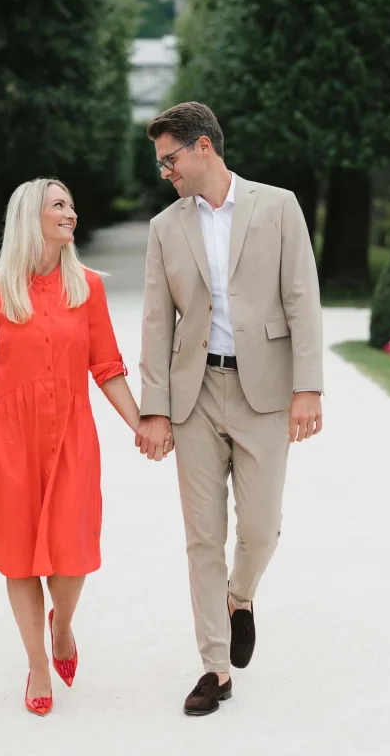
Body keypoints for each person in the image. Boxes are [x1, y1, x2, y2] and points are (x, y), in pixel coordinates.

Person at [137, 102, 323, 716]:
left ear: (203, 149)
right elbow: (157, 323)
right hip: (194, 396)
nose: (165, 171)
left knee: (261, 528)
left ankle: (240, 597)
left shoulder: (279, 206)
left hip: (264, 392)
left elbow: (302, 298)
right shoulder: (166, 228)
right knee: (201, 537)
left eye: (170, 159)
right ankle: (214, 667)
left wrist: (308, 387)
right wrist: (154, 410)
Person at [0, 178, 141, 717]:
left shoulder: (88, 288)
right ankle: (38, 661)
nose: (71, 213)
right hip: (7, 442)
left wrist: (141, 423)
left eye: (72, 205)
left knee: (72, 554)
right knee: (18, 558)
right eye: (59, 205)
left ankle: (64, 626)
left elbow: (107, 366)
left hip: (72, 437)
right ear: (30, 216)